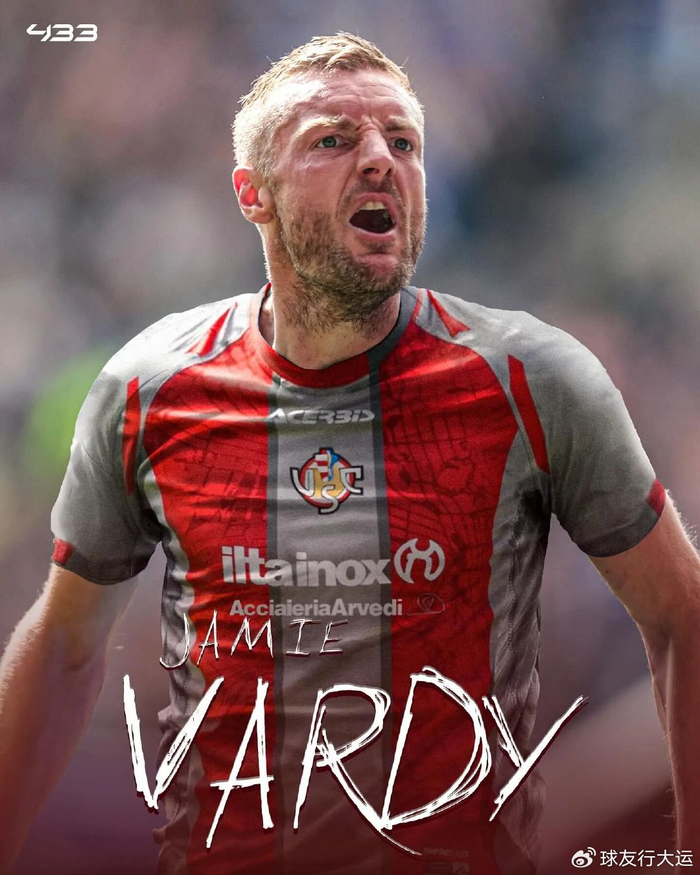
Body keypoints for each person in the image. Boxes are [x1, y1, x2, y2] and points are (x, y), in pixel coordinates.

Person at [0, 32, 698, 875]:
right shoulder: (150, 387)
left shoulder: (534, 379)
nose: (379, 160)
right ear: (253, 194)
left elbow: (681, 615)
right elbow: (66, 645)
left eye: (403, 141)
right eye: (332, 140)